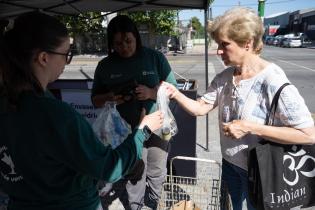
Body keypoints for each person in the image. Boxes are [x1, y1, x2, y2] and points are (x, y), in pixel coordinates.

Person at [0, 11, 164, 210]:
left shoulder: (11, 102)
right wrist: (143, 129)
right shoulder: (56, 114)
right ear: (43, 58)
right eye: (67, 54)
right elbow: (110, 167)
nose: (66, 61)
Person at [162, 7, 315, 210]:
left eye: (225, 45)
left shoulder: (274, 82)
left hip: (260, 170)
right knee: (232, 206)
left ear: (247, 44)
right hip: (229, 164)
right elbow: (199, 108)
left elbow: (308, 134)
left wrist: (250, 127)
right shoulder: (225, 77)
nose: (218, 51)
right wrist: (175, 93)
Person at [91, 15, 177, 209]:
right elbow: (95, 100)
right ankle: (136, 207)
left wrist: (152, 92)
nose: (124, 47)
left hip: (157, 126)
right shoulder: (105, 66)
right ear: (111, 43)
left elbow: (174, 89)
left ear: (137, 37)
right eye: (118, 44)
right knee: (135, 174)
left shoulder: (154, 57)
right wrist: (110, 97)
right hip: (124, 132)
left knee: (156, 172)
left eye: (129, 41)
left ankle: (154, 204)